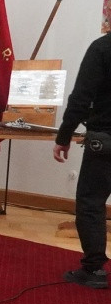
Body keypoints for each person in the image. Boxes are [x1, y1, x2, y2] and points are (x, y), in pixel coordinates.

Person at [52, 30, 111, 288]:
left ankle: (94, 269)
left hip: (105, 140)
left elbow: (81, 97)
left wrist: (64, 136)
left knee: (90, 202)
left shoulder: (102, 48)